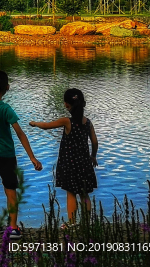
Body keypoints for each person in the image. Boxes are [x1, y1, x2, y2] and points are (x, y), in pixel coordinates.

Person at [0, 69, 42, 235]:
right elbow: (20, 134)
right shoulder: (6, 109)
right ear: (7, 88)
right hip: (6, 156)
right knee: (10, 190)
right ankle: (13, 227)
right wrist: (32, 157)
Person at [29, 88, 98, 225]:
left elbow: (47, 126)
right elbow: (95, 142)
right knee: (84, 194)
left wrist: (35, 123)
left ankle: (71, 224)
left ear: (67, 104)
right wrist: (93, 156)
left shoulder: (67, 121)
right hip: (84, 163)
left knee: (71, 193)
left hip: (70, 164)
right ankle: (86, 224)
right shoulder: (88, 123)